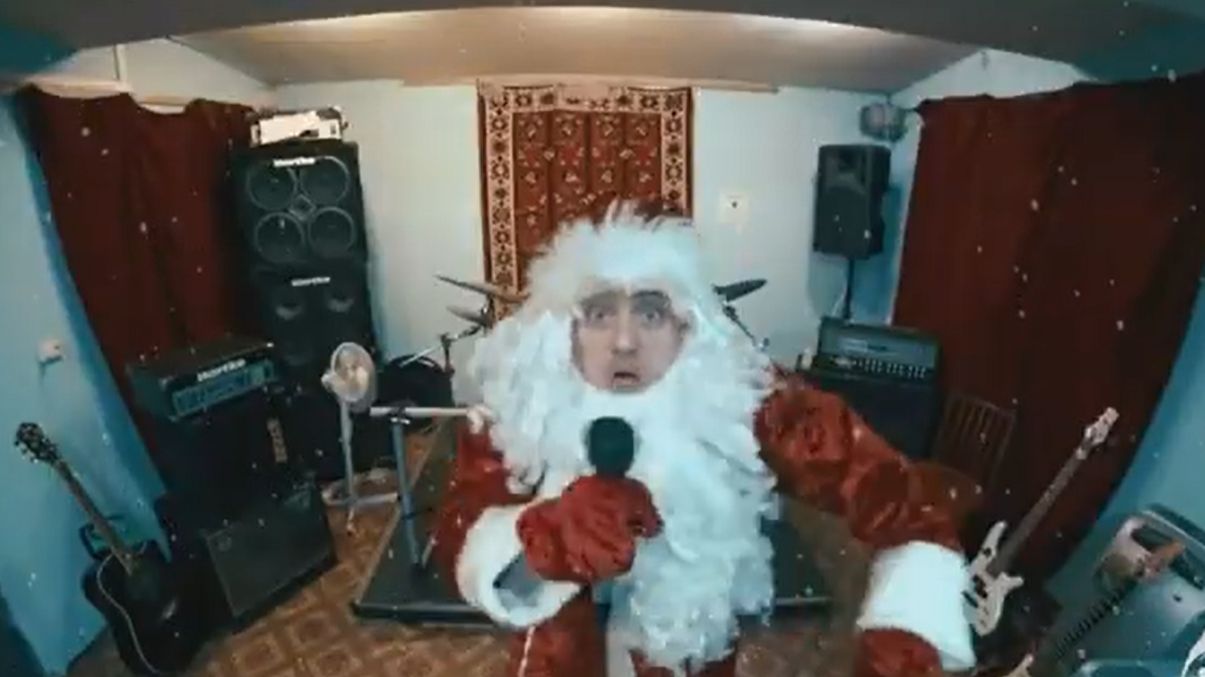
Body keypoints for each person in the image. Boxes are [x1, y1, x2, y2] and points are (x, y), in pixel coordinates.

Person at [430, 203, 975, 676]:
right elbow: (458, 532)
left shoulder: (744, 401)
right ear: (565, 328)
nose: (624, 342)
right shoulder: (521, 409)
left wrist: (910, 622)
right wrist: (543, 540)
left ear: (686, 326)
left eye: (650, 312)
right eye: (598, 313)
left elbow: (904, 501)